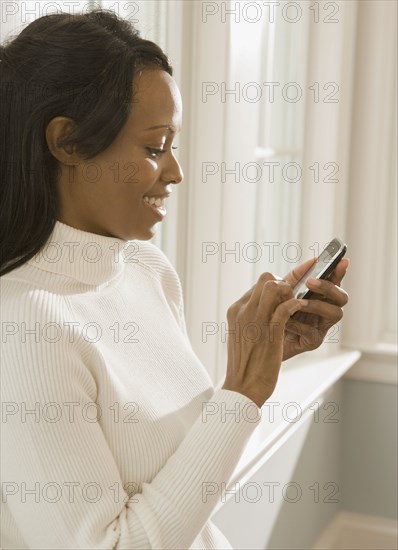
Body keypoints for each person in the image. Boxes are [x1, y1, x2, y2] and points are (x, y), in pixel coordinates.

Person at [0, 9, 349, 549]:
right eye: (153, 148)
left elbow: (179, 482)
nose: (175, 172)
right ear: (67, 142)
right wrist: (241, 391)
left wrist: (263, 360)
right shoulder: (24, 325)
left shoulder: (147, 271)